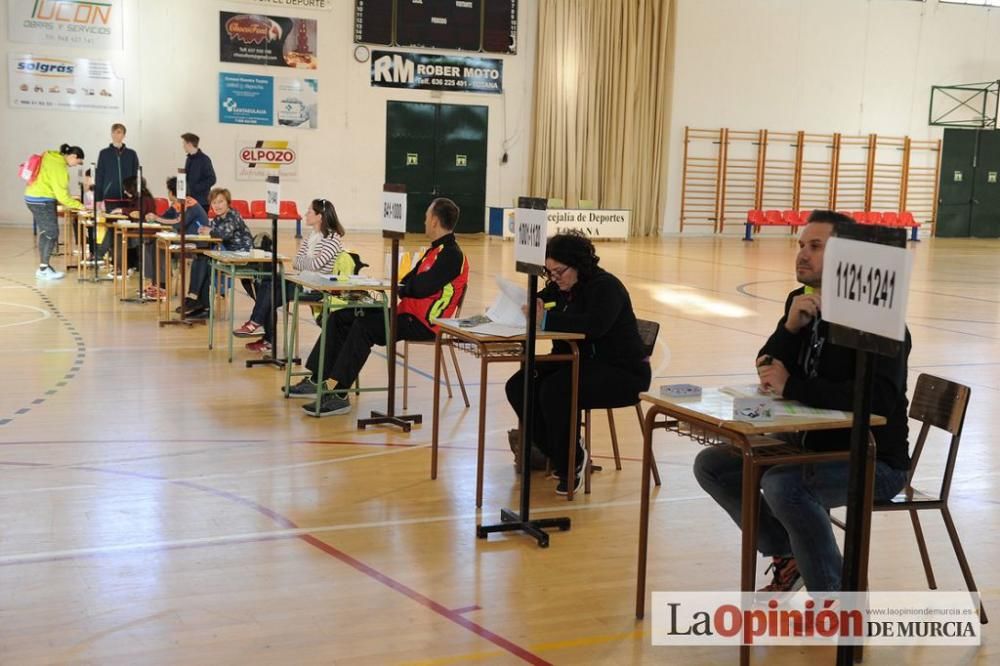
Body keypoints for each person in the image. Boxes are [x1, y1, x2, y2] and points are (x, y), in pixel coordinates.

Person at [693, 210, 911, 595]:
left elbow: (878, 401)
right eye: (800, 245)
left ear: (846, 256)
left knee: (785, 485)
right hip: (809, 446)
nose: (802, 255)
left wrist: (793, 386)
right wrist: (788, 329)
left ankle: (835, 599)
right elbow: (767, 364)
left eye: (815, 246)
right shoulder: (801, 302)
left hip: (873, 459)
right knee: (713, 465)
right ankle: (790, 553)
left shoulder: (875, 320)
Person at [288, 197, 469, 417]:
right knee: (342, 316)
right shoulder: (433, 251)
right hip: (406, 314)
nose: (423, 221)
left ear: (434, 221)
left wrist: (404, 287)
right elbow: (408, 281)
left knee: (364, 326)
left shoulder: (452, 255)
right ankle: (318, 378)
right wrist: (403, 287)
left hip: (425, 324)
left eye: (426, 217)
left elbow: (420, 287)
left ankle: (339, 392)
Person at [504, 231, 651, 495]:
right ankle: (561, 453)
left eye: (559, 271)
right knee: (519, 384)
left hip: (620, 372)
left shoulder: (606, 287)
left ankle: (571, 462)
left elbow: (593, 326)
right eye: (549, 272)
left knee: (555, 390)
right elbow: (541, 302)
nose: (555, 278)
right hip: (578, 363)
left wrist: (545, 320)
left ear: (579, 265)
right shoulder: (560, 287)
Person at [235, 199, 346, 354]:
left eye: (309, 211)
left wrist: (306, 262)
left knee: (268, 295)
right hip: (303, 280)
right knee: (268, 282)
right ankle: (260, 330)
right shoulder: (312, 235)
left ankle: (258, 328)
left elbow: (316, 264)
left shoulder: (332, 238)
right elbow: (296, 262)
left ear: (320, 216)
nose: (306, 214)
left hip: (316, 287)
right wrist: (308, 262)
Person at [179, 188, 253, 317]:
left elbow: (224, 234)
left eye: (220, 202)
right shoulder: (218, 218)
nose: (217, 206)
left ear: (228, 203)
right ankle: (200, 303)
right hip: (228, 253)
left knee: (205, 261)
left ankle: (197, 300)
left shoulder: (233, 215)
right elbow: (213, 230)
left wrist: (210, 231)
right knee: (201, 257)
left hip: (242, 254)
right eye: (214, 203)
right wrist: (205, 229)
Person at [24, 143, 85, 280]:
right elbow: (62, 197)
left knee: (47, 232)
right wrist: (80, 206)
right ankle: (43, 270)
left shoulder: (51, 156)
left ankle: (44, 267)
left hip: (33, 196)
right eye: (78, 162)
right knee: (51, 233)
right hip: (42, 200)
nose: (76, 165)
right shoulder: (59, 167)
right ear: (73, 156)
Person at [143, 177, 210, 298]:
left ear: (172, 192)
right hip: (185, 239)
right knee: (153, 242)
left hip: (197, 242)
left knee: (159, 245)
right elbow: (165, 217)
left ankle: (162, 287)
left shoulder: (189, 203)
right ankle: (157, 284)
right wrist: (153, 217)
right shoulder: (176, 204)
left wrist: (157, 219)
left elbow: (179, 223)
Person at [94, 123, 139, 212]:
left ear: (124, 135)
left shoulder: (131, 154)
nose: (115, 135)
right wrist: (98, 199)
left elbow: (136, 175)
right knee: (109, 223)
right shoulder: (104, 153)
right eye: (113, 132)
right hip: (109, 196)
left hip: (127, 198)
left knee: (126, 224)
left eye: (118, 132)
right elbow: (99, 176)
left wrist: (134, 194)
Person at [181, 133, 216, 210]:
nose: (183, 146)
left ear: (189, 144)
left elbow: (212, 179)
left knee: (201, 222)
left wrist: (196, 187)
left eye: (184, 144)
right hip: (189, 200)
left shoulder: (204, 159)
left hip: (202, 202)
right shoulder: (188, 159)